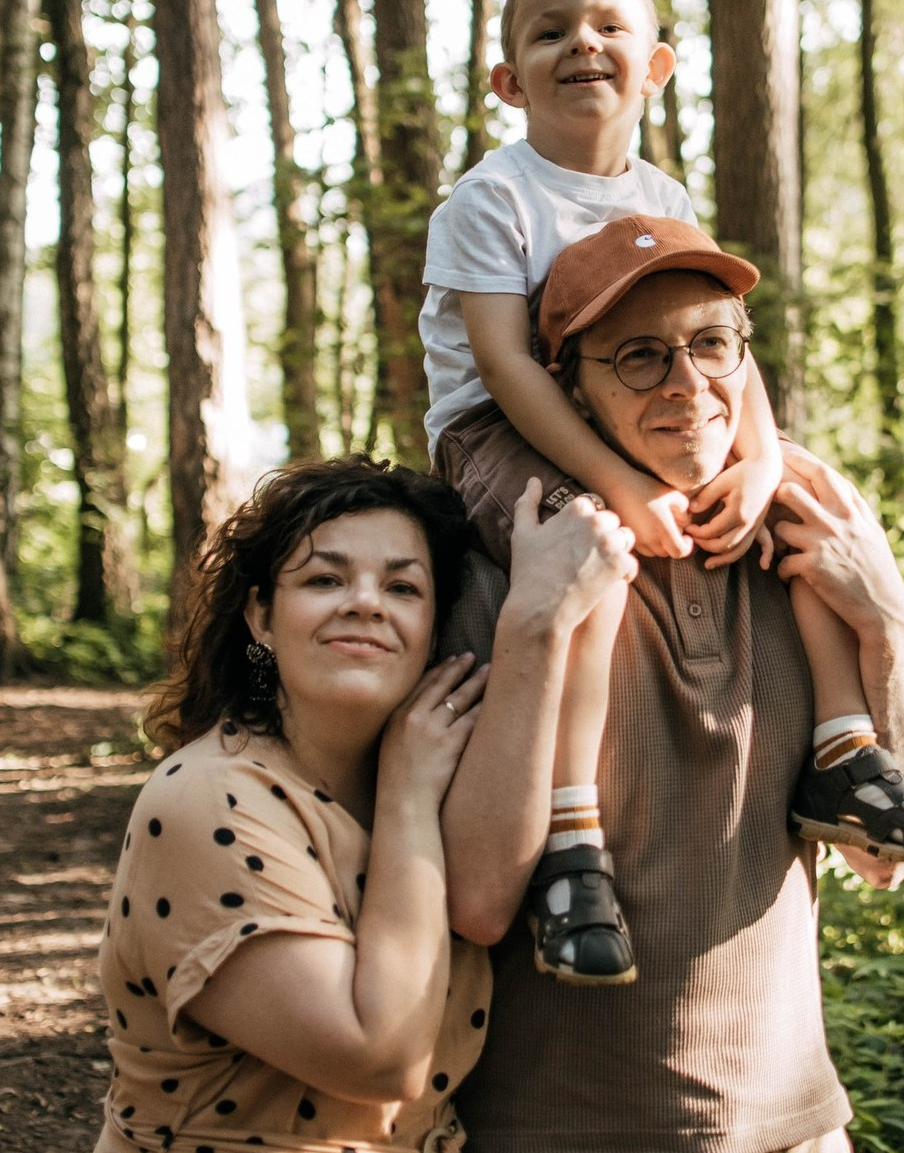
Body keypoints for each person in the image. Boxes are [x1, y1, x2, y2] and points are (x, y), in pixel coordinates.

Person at [420, 0, 904, 986]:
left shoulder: (663, 197)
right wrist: (620, 485)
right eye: (550, 30)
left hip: (613, 415)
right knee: (580, 546)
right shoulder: (493, 200)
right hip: (498, 426)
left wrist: (759, 467)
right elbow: (508, 366)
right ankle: (572, 834)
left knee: (802, 493)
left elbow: (721, 344)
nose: (581, 41)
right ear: (508, 78)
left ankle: (846, 753)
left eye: (607, 24)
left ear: (655, 63)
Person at [437, 221, 904, 1153]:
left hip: (794, 1127)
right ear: (570, 391)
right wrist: (536, 619)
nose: (690, 386)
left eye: (713, 344)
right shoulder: (508, 566)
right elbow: (479, 900)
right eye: (640, 358)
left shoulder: (807, 551)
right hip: (560, 1129)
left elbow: (886, 856)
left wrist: (890, 624)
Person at [93, 456, 637, 1153]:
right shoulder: (208, 801)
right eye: (325, 579)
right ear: (261, 616)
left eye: (403, 586)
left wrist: (542, 623)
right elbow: (382, 1059)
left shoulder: (433, 772)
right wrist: (408, 797)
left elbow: (486, 906)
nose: (365, 602)